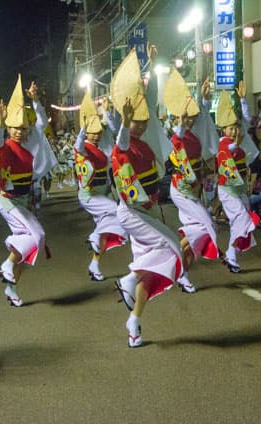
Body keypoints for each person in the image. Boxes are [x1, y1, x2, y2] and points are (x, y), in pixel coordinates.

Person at [112, 47, 183, 348]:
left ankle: (134, 323)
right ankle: (128, 280)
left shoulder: (148, 140)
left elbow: (150, 100)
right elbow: (120, 146)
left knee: (149, 269)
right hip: (131, 211)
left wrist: (154, 67)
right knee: (173, 246)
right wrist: (124, 122)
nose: (140, 124)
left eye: (143, 120)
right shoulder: (124, 146)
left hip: (148, 210)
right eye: (135, 121)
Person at [0, 76, 57, 306]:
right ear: (9, 128)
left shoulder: (30, 142)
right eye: (15, 128)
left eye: (23, 128)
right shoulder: (5, 147)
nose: (20, 132)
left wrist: (36, 101)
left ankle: (11, 287)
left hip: (23, 201)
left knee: (27, 245)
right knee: (37, 236)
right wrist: (1, 122)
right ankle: (7, 264)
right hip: (8, 201)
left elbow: (41, 122)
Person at [163, 68, 220, 291]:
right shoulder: (176, 137)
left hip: (192, 189)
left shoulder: (193, 131)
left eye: (190, 116)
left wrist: (203, 100)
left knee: (196, 229)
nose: (188, 120)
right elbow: (179, 148)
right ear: (177, 116)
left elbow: (202, 119)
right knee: (208, 226)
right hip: (182, 189)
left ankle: (182, 273)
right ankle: (174, 257)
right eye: (183, 116)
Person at [74, 91, 127, 281]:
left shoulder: (104, 140)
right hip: (90, 194)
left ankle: (95, 265)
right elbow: (78, 146)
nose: (95, 135)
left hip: (103, 192)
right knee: (119, 212)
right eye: (92, 132)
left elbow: (116, 131)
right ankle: (95, 236)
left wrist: (107, 111)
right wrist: (83, 127)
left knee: (107, 229)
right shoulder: (83, 147)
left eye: (98, 132)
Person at [216, 81, 260, 272]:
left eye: (236, 127)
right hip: (227, 189)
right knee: (242, 218)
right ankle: (231, 252)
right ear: (223, 130)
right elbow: (229, 149)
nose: (234, 131)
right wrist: (236, 143)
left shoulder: (240, 140)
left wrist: (243, 100)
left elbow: (248, 120)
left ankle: (231, 256)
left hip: (240, 187)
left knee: (239, 221)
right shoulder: (223, 143)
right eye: (230, 128)